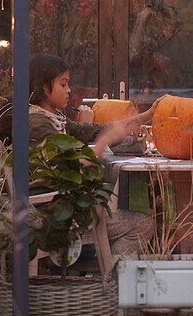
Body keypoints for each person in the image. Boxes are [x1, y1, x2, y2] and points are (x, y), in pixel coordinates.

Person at [27, 54, 157, 258]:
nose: (69, 90)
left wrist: (145, 116)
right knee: (142, 225)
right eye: (63, 84)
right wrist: (104, 142)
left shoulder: (53, 119)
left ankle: (110, 275)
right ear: (44, 87)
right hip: (56, 214)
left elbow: (99, 129)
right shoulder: (37, 124)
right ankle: (115, 282)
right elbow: (73, 169)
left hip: (64, 205)